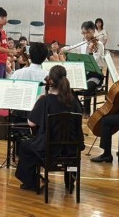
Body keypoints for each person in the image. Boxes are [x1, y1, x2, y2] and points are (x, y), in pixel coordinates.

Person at [14, 64, 82, 192]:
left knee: (25, 146)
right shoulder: (73, 101)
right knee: (34, 145)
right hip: (71, 148)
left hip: (49, 149)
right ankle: (70, 177)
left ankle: (32, 182)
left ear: (50, 81)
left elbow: (31, 123)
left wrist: (37, 103)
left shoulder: (45, 100)